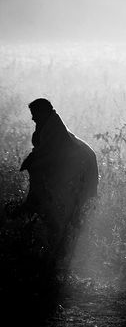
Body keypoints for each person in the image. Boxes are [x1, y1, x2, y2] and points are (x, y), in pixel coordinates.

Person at [14, 98, 98, 249]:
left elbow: (49, 156)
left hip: (82, 165)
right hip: (77, 163)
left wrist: (32, 162)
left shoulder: (54, 130)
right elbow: (43, 151)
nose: (32, 118)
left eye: (34, 114)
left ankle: (63, 242)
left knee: (70, 203)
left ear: (43, 112)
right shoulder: (49, 126)